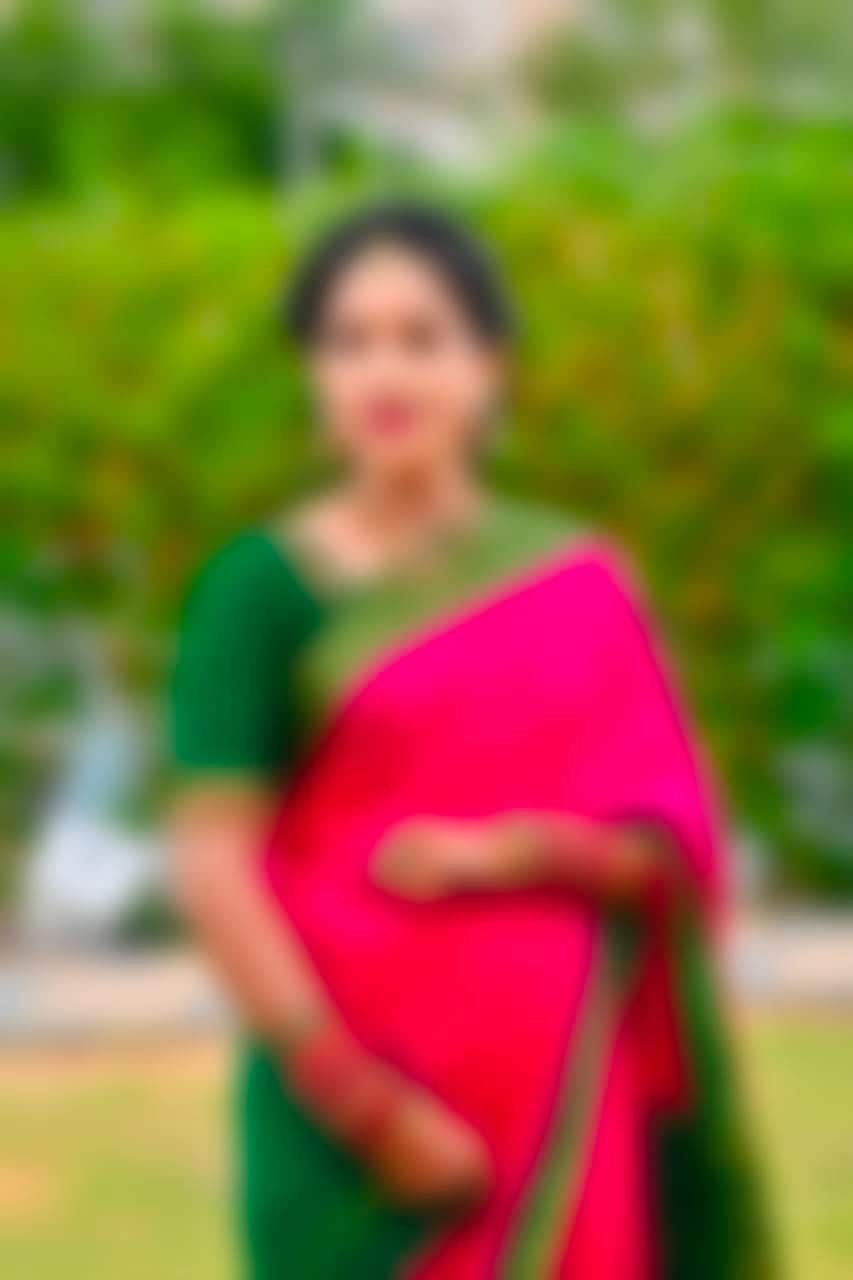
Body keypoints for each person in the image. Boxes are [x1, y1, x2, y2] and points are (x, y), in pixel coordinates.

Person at [170, 204, 771, 1278]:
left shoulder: (579, 585)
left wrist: (510, 853)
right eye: (348, 343)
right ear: (314, 375)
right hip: (344, 1134)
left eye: (422, 338)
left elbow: (668, 851)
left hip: (564, 1108)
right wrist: (362, 1105)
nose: (384, 374)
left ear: (488, 367)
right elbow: (214, 862)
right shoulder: (257, 592)